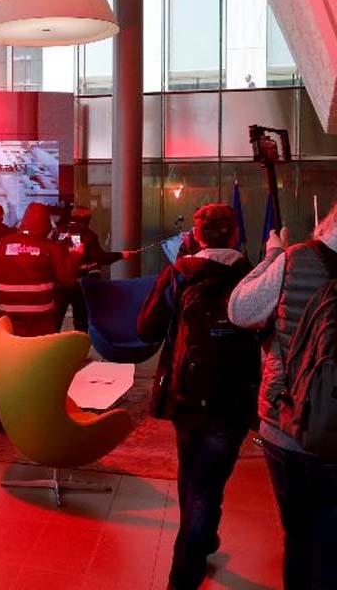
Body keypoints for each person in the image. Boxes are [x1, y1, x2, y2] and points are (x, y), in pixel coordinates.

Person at [137, 204, 260, 590]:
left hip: (186, 392)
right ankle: (190, 563)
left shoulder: (180, 273)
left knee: (193, 472)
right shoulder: (255, 275)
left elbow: (146, 329)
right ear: (235, 235)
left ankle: (196, 549)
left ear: (198, 235)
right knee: (208, 482)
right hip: (235, 397)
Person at [228, 202, 337, 589]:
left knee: (300, 539)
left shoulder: (297, 260)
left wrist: (274, 256)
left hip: (285, 426)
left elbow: (240, 308)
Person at [0, 202, 82, 337]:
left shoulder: (2, 244)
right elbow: (68, 279)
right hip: (41, 321)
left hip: (8, 320)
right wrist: (76, 256)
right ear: (46, 224)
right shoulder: (51, 248)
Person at [56, 206, 137, 331]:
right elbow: (100, 257)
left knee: (56, 319)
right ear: (86, 219)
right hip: (78, 283)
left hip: (60, 283)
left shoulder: (58, 232)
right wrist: (122, 255)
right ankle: (80, 345)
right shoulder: (88, 235)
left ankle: (48, 344)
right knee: (81, 319)